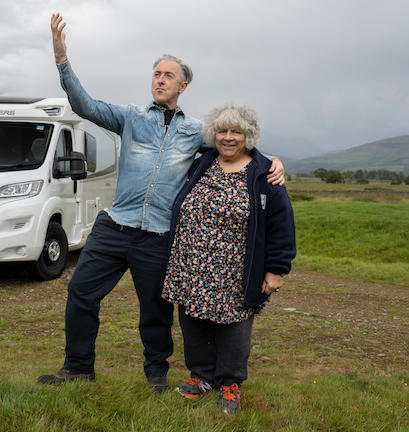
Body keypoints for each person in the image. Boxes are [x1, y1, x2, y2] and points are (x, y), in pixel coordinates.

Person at [37, 14, 286, 393]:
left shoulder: (193, 131)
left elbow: (233, 143)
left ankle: (156, 373)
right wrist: (62, 60)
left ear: (182, 85)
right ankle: (77, 366)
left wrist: (272, 162)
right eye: (156, 74)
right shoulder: (131, 117)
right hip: (114, 227)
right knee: (81, 293)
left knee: (155, 311)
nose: (160, 80)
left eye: (168, 76)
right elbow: (84, 104)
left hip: (157, 237)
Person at [161, 105, 296, 413]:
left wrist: (277, 270)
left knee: (234, 327)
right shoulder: (202, 163)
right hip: (192, 262)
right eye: (222, 131)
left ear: (249, 136)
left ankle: (231, 383)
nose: (229, 137)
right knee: (192, 320)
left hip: (237, 268)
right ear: (213, 135)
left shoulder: (264, 174)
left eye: (236, 131)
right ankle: (201, 376)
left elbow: (282, 225)